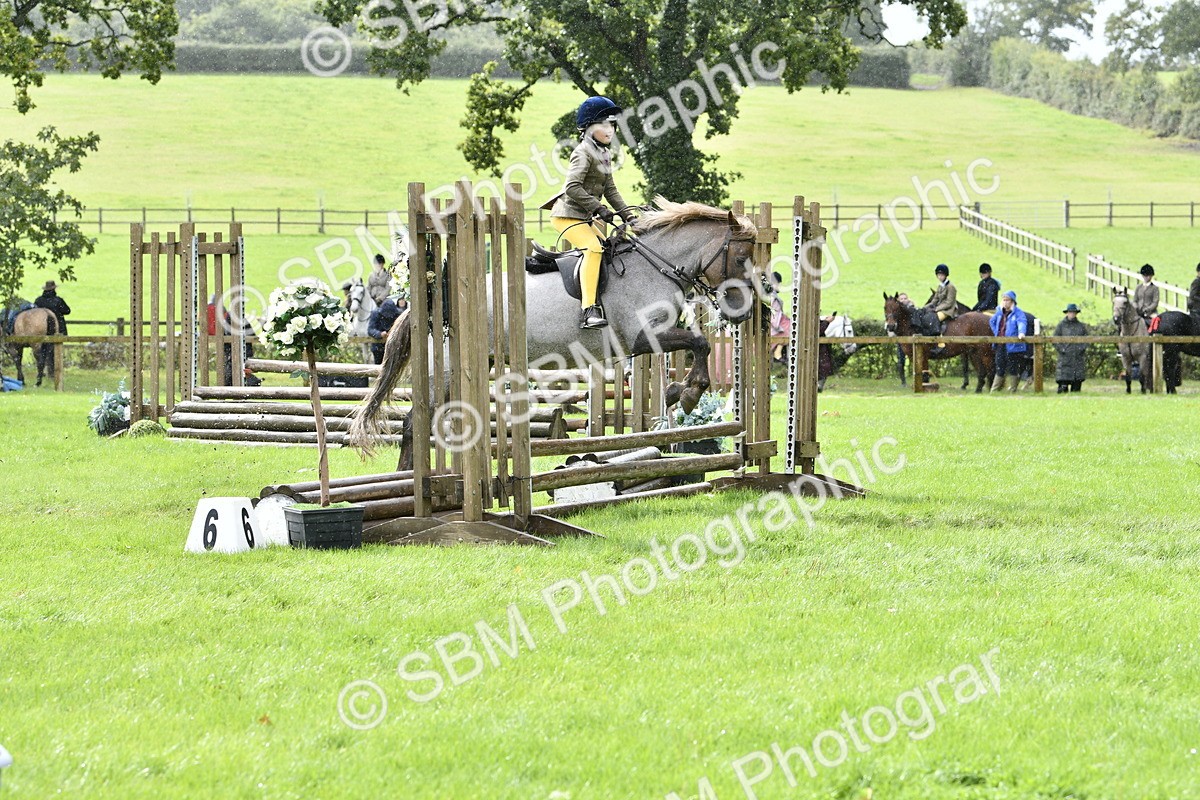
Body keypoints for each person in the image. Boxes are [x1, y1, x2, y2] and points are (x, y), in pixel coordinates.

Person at [542, 96, 638, 329]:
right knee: (594, 249)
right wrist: (599, 208)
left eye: (612, 125)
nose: (610, 130)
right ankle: (588, 311)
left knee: (609, 248)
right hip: (566, 216)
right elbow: (572, 188)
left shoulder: (604, 154)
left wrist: (627, 214)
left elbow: (611, 189)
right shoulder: (582, 152)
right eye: (603, 124)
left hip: (583, 217)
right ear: (588, 128)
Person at [989, 290, 1029, 392]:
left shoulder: (1018, 313)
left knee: (1013, 368)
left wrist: (1021, 333)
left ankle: (1012, 390)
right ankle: (994, 390)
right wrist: (997, 333)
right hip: (1000, 344)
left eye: (1007, 300)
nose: (1005, 302)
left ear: (1012, 302)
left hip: (1013, 345)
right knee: (999, 366)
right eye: (1004, 300)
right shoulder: (999, 312)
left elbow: (1022, 323)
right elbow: (992, 322)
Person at [1053, 303, 1089, 393]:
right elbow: (1054, 339)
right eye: (1070, 312)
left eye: (1074, 312)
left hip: (1078, 358)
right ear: (1067, 313)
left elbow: (1087, 339)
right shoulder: (1061, 326)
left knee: (1076, 388)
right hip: (1064, 359)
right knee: (1062, 387)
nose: (1072, 314)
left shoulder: (1081, 326)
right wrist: (1062, 349)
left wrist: (1081, 349)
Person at [367, 295, 403, 365]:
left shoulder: (398, 314)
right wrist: (379, 334)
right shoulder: (375, 314)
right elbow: (370, 330)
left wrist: (393, 333)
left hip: (394, 347)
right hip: (378, 347)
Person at [924, 264, 958, 332]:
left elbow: (949, 303)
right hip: (940, 308)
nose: (940, 277)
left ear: (946, 275)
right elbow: (935, 299)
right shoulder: (940, 286)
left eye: (942, 275)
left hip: (948, 310)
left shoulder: (950, 287)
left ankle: (940, 339)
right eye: (938, 275)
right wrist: (925, 307)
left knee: (934, 319)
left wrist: (936, 309)